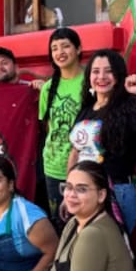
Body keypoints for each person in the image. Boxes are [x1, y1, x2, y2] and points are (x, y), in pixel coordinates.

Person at [67, 49, 136, 233]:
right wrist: (69, 189)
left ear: (118, 75)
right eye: (96, 71)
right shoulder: (86, 109)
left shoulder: (129, 107)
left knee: (115, 252)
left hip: (117, 192)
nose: (102, 76)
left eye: (108, 71)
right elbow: (75, 152)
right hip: (83, 192)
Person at [39, 28, 84, 220]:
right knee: (61, 224)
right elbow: (48, 126)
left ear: (78, 49)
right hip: (53, 167)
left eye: (66, 46)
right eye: (55, 48)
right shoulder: (48, 87)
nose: (60, 52)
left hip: (83, 167)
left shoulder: (90, 81)